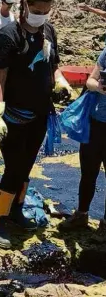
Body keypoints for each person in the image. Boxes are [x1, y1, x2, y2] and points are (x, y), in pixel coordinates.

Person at [0, 0, 73, 249]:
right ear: (25, 5)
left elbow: (53, 64)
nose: (41, 16)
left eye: (45, 11)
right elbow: (0, 77)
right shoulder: (7, 36)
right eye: (37, 11)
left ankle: (17, 209)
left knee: (26, 167)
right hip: (12, 115)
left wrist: (60, 81)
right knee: (13, 168)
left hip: (40, 114)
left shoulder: (48, 32)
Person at [59, 49, 106, 240]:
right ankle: (82, 214)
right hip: (96, 124)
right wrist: (99, 86)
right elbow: (90, 81)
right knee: (88, 172)